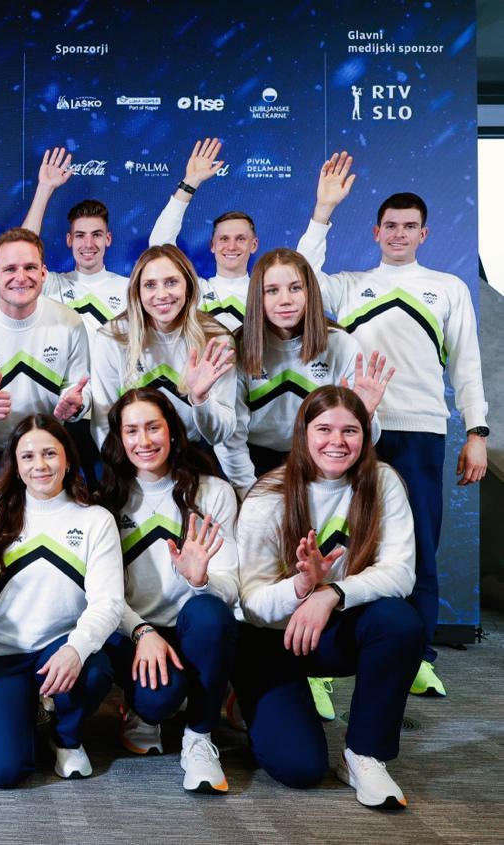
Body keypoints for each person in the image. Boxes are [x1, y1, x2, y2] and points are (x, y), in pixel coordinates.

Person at [295, 151, 489, 696]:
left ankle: (417, 655)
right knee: (342, 542)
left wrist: (477, 432)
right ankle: (325, 660)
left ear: (424, 234)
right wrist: (323, 210)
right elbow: (301, 277)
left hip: (422, 430)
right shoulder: (348, 285)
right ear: (375, 232)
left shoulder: (447, 288)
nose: (399, 234)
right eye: (390, 226)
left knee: (419, 545)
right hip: (354, 434)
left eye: (409, 226)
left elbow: (467, 364)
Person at [233, 386, 424, 809]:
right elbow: (250, 604)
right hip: (271, 638)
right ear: (303, 434)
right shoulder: (268, 495)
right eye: (324, 429)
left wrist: (331, 594)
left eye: (350, 431)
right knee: (300, 769)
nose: (337, 442)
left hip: (333, 629)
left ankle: (364, 754)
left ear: (365, 435)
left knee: (398, 621)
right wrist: (301, 588)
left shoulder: (383, 482)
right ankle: (248, 701)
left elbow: (400, 573)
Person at [0, 415, 123, 788]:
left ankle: (65, 736)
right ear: (15, 466)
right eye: (28, 456)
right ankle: (27, 709)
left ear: (68, 459)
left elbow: (108, 603)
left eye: (50, 453)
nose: (40, 465)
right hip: (0, 654)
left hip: (58, 648)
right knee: (5, 771)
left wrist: (76, 649)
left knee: (95, 669)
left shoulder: (96, 520)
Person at [95, 388, 238, 794]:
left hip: (195, 628)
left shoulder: (214, 493)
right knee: (159, 699)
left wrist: (200, 580)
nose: (144, 441)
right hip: (134, 633)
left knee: (210, 612)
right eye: (132, 431)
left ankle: (199, 736)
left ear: (172, 432)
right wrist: (142, 632)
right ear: (119, 439)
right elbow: (103, 594)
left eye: (153, 428)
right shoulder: (106, 499)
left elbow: (231, 589)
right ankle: (144, 709)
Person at [0, 228, 91, 523]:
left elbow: (78, 386)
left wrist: (77, 404)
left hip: (46, 449)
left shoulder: (70, 323)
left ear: (44, 273)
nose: (21, 277)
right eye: (10, 269)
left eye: (30, 267)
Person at [217, 248, 393, 496]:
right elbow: (231, 437)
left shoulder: (341, 345)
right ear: (257, 297)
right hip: (254, 463)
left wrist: (365, 415)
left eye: (295, 288)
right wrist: (249, 493)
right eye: (272, 290)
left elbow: (368, 439)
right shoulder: (238, 349)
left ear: (310, 293)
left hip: (320, 461)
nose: (285, 300)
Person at [89, 244, 237, 452]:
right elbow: (104, 425)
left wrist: (201, 400)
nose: (162, 294)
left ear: (188, 286)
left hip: (191, 456)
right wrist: (128, 467)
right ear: (137, 292)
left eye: (171, 282)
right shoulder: (111, 339)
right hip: (133, 458)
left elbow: (219, 434)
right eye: (150, 285)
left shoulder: (217, 340)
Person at [148, 138, 255, 332]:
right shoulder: (196, 290)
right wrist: (190, 182)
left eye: (240, 239)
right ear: (212, 245)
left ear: (253, 245)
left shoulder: (265, 292)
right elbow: (159, 246)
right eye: (224, 239)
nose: (231, 246)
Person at [20, 147, 130, 331]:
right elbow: (21, 252)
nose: (88, 244)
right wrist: (44, 189)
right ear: (69, 240)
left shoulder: (129, 289)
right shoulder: (52, 285)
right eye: (80, 235)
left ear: (108, 239)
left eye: (96, 234)